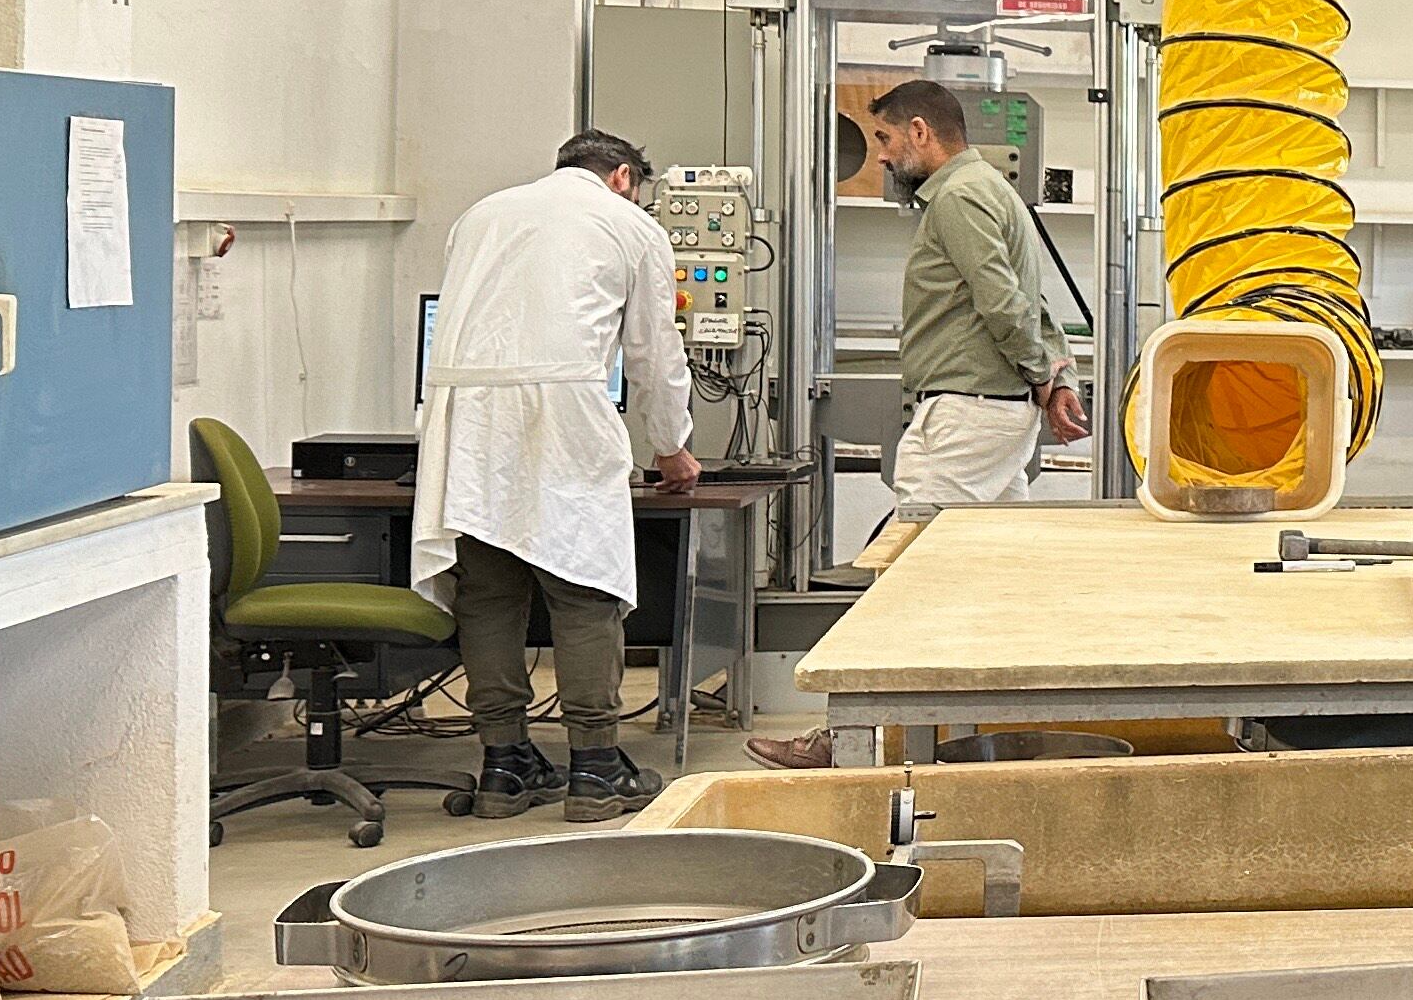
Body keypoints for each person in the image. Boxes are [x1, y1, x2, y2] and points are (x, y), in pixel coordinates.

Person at [752, 77, 1085, 766]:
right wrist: (1054, 376)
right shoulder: (991, 190)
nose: (879, 156)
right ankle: (996, 725)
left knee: (905, 578)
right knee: (997, 577)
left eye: (884, 138)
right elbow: (1033, 302)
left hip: (966, 417)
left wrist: (1038, 371)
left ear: (921, 132)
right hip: (994, 417)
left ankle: (854, 741)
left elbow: (1003, 305)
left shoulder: (959, 197)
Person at [412, 130, 696, 822]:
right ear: (624, 176)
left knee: (488, 592)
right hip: (563, 406)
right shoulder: (630, 223)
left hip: (464, 414)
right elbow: (654, 352)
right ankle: (596, 769)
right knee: (585, 592)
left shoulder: (481, 214)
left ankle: (503, 767)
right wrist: (671, 446)